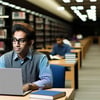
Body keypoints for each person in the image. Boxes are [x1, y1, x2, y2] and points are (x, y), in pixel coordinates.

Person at [0, 23, 53, 92]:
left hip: (33, 96)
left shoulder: (41, 58)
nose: (17, 45)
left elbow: (48, 81)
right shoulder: (4, 59)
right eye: (14, 40)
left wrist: (29, 86)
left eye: (21, 41)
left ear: (30, 43)